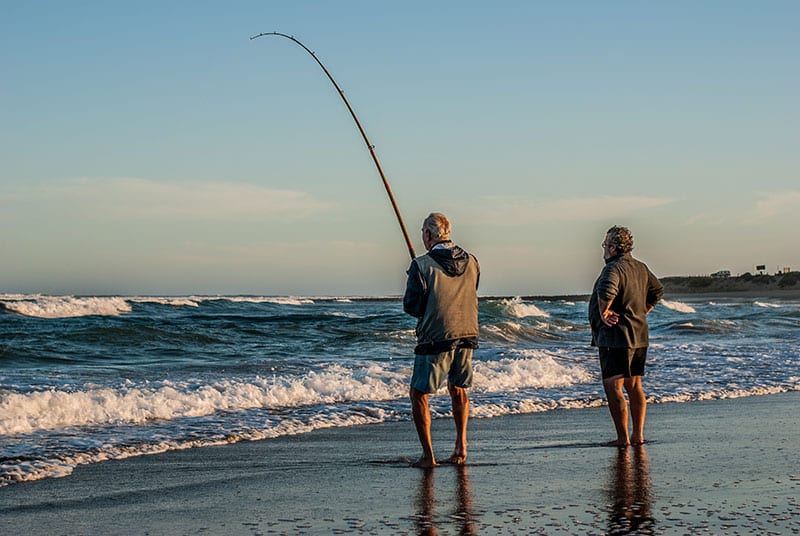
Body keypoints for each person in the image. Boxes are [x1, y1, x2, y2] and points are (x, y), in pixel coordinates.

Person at [403, 212, 480, 468]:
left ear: (427, 235)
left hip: (435, 338)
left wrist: (415, 278)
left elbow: (412, 307)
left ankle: (428, 456)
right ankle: (461, 447)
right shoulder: (472, 261)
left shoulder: (421, 265)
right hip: (467, 334)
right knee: (458, 388)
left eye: (423, 234)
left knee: (418, 393)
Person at [589, 226, 663, 447]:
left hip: (616, 337)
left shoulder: (613, 268)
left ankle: (623, 438)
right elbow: (657, 291)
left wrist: (603, 313)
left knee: (614, 387)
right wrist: (642, 311)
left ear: (612, 248)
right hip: (639, 334)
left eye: (604, 245)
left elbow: (606, 291)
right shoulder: (640, 267)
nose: (603, 249)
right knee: (635, 386)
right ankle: (637, 435)